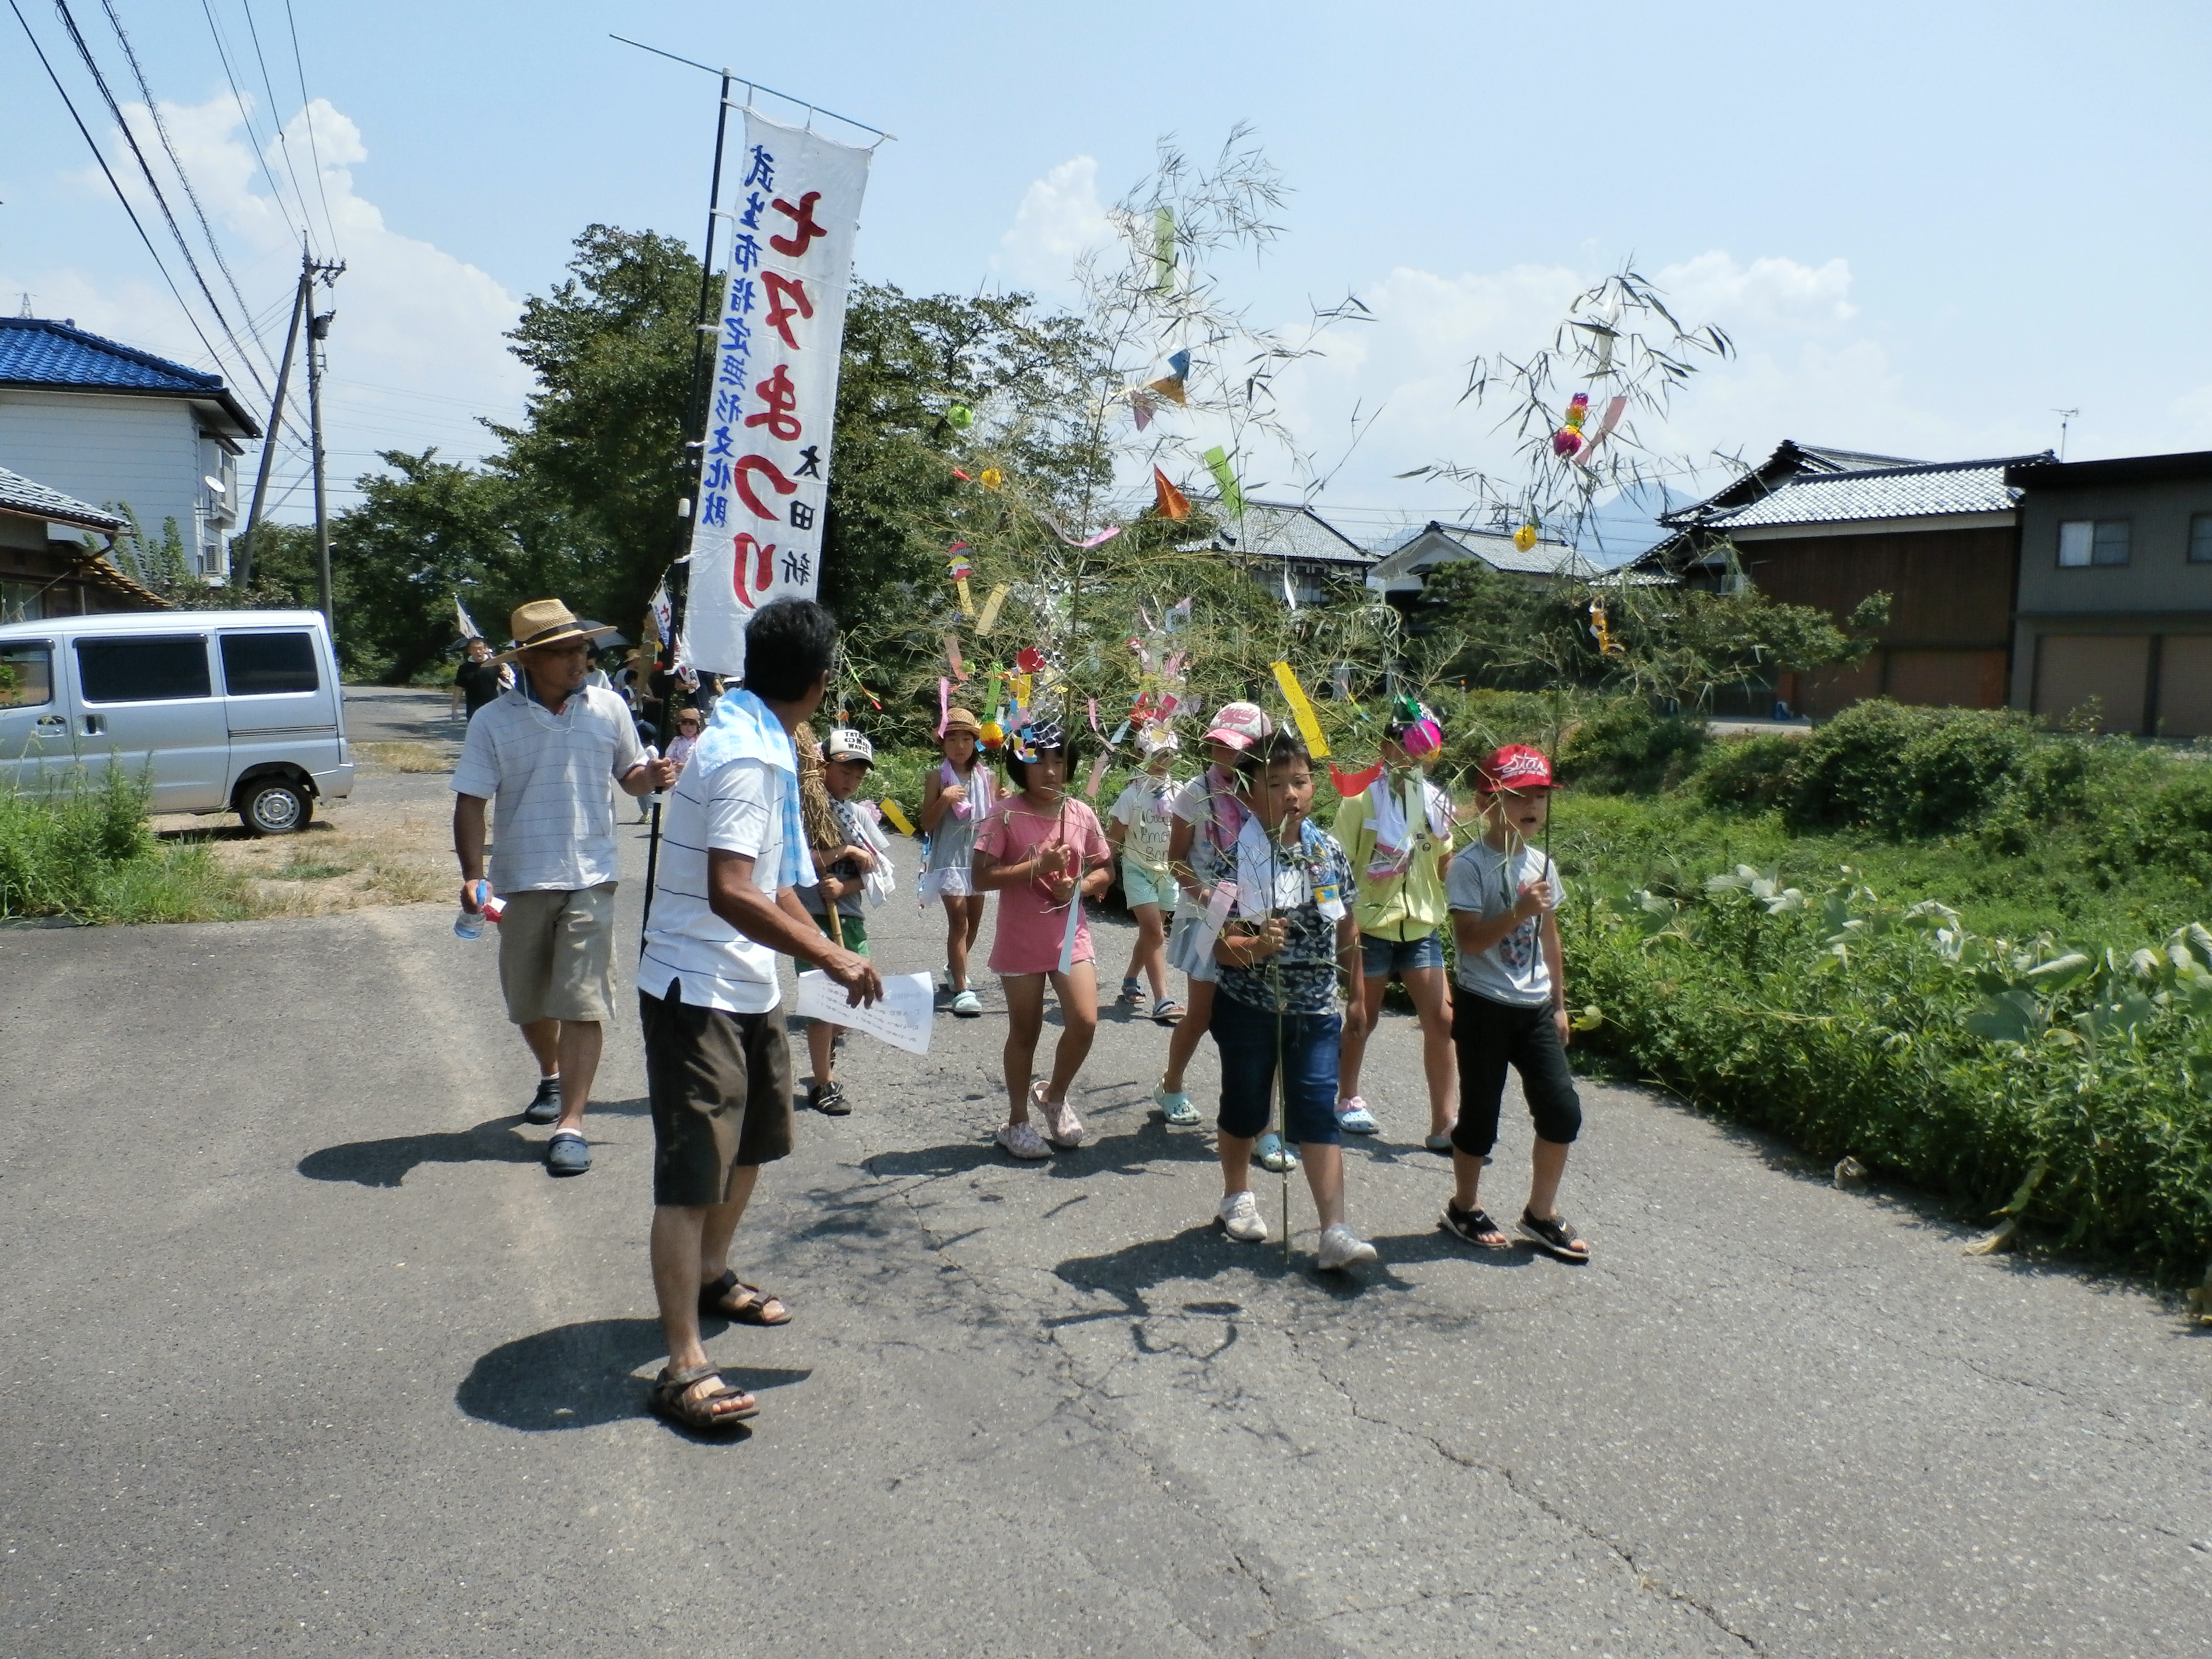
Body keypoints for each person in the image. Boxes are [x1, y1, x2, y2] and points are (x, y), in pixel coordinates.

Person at [636, 599, 883, 1433]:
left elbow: (774, 883)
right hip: (692, 985)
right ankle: (682, 1363)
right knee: (692, 1170)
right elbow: (730, 890)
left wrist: (826, 946)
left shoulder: (769, 741)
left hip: (746, 983)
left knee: (754, 1142)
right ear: (817, 683)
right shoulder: (744, 753)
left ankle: (712, 1273)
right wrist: (831, 957)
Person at [451, 600, 676, 1175]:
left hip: (592, 877)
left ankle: (570, 1122)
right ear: (530, 659)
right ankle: (551, 1075)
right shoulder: (493, 722)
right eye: (569, 650)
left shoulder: (609, 708)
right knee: (528, 1000)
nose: (583, 658)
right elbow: (471, 804)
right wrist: (474, 874)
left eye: (584, 648)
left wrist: (649, 777)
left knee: (581, 1001)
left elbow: (629, 778)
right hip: (522, 880)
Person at [1206, 730, 1377, 1270]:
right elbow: (1217, 945)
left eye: (1300, 782)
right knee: (1245, 1106)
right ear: (1252, 792)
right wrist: (1256, 945)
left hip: (1315, 1008)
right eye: (1275, 783)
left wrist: (1358, 995)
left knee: (1316, 1111)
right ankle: (1237, 1194)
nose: (1291, 795)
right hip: (1249, 1006)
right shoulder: (1234, 858)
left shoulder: (1327, 852)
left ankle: (1335, 1231)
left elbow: (1348, 924)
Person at [1440, 745, 1590, 1263]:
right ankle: (1464, 1206)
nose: (1532, 806)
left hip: (1534, 1009)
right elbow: (1471, 941)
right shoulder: (1468, 866)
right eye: (1519, 796)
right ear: (1486, 802)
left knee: (1561, 1111)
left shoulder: (1542, 862)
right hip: (1483, 1004)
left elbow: (1550, 936)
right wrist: (1519, 908)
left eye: (1541, 796)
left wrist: (1559, 1003)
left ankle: (1541, 1214)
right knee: (1480, 1116)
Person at [971, 719, 1112, 1160]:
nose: (1051, 771)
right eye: (1040, 761)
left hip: (1070, 935)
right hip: (1021, 938)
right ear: (1021, 764)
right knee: (1025, 1031)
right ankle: (1016, 1122)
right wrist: (1037, 865)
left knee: (1085, 1022)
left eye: (1059, 761)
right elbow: (980, 877)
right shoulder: (1004, 814)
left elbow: (1105, 869)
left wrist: (1080, 887)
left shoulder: (1080, 813)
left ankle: (1054, 1095)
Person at [1332, 699, 1459, 1148]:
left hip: (1420, 925)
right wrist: (1339, 926)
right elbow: (1337, 867)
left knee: (1442, 1020)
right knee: (1362, 1018)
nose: (1417, 755)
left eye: (1426, 746)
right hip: (1369, 928)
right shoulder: (1360, 800)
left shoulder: (1438, 801)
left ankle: (1445, 1123)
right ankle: (1347, 1097)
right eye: (1408, 745)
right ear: (1387, 747)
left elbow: (1445, 863)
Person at [1154, 702, 1274, 1147]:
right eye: (1220, 746)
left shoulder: (1265, 790)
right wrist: (1205, 895)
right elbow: (1176, 859)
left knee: (1263, 1018)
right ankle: (1172, 1084)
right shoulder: (1193, 792)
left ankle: (1262, 1124)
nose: (1228, 756)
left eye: (1238, 749)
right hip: (1206, 915)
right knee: (1202, 1013)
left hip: (1259, 915)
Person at [798, 727, 878, 1117]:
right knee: (823, 1006)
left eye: (859, 776)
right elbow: (795, 860)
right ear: (823, 766)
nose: (851, 781)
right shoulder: (806, 808)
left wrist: (846, 887)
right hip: (810, 917)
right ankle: (823, 1084)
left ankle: (826, 1049)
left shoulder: (859, 815)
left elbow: (876, 872)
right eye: (845, 771)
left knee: (849, 1005)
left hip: (849, 917)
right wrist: (840, 851)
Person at [1105, 724, 1184, 1024]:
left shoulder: (1180, 792)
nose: (1164, 760)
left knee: (1150, 936)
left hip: (1168, 873)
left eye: (1169, 754)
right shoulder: (1131, 795)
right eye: (1158, 754)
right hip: (1138, 871)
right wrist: (1102, 874)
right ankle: (1163, 999)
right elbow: (1113, 840)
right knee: (1156, 933)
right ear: (1141, 755)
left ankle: (1130, 978)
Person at [917, 707, 992, 1018]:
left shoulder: (986, 777)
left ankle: (953, 969)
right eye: (952, 739)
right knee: (959, 922)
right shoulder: (938, 777)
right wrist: (945, 799)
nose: (960, 745)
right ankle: (962, 989)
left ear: (975, 742)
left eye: (966, 738)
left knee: (974, 924)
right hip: (949, 858)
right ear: (943, 743)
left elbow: (996, 818)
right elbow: (926, 824)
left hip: (978, 858)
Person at [452, 636, 508, 722]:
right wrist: (454, 709)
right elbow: (459, 689)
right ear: (469, 651)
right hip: (473, 710)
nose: (478, 652)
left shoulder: (495, 664)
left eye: (480, 648)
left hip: (494, 708)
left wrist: (507, 675)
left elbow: (508, 683)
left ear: (486, 650)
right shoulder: (464, 668)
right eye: (474, 649)